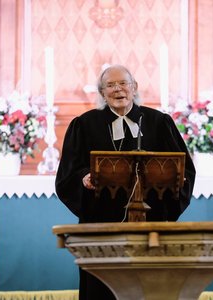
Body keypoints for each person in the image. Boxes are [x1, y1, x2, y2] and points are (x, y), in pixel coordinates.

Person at [55, 64, 196, 300]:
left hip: (150, 222)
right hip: (101, 224)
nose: (117, 89)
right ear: (102, 92)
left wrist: (174, 184)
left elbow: (186, 170)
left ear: (134, 88)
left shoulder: (159, 122)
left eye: (123, 83)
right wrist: (84, 178)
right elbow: (68, 173)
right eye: (110, 85)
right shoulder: (84, 124)